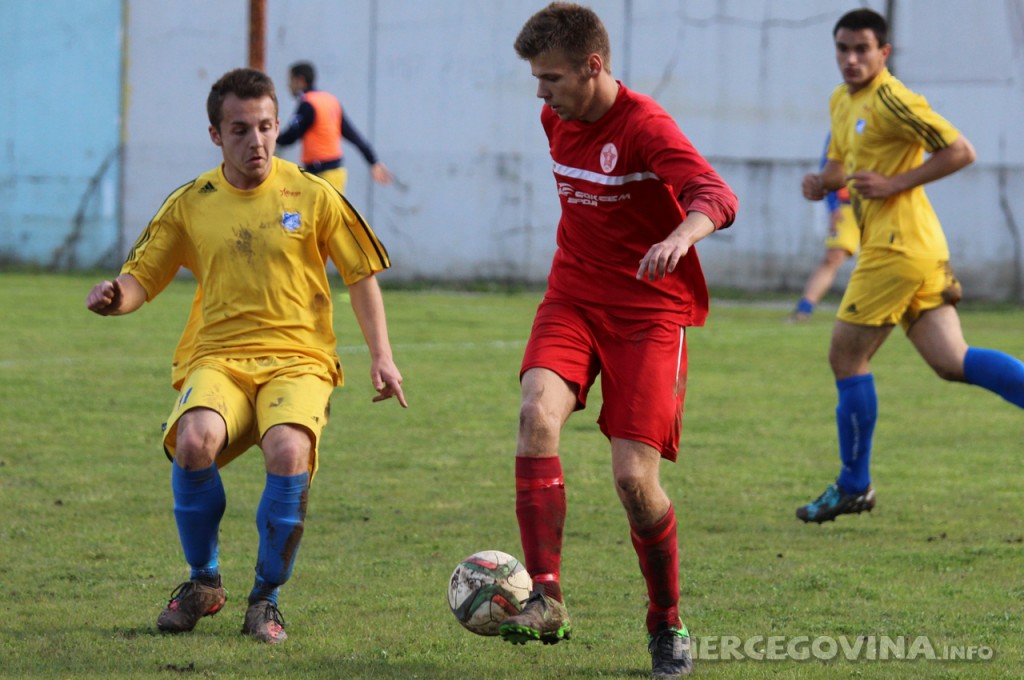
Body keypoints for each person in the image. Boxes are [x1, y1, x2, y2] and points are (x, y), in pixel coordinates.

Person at [85, 68, 407, 643]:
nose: (255, 141)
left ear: (278, 125)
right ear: (215, 135)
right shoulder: (191, 203)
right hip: (219, 357)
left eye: (264, 127)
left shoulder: (312, 193)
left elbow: (361, 275)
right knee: (192, 440)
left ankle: (266, 599)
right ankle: (203, 582)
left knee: (287, 452)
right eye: (239, 129)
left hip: (299, 360)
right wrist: (115, 297)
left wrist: (382, 356)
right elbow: (142, 277)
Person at [502, 4, 738, 678]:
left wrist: (679, 234)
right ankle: (546, 597)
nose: (540, 95)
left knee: (636, 482)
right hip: (572, 298)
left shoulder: (645, 126)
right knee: (533, 414)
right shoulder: (557, 117)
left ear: (592, 67)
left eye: (550, 79)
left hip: (648, 314)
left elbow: (715, 195)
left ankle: (666, 622)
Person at [796, 9, 1024, 523]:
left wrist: (898, 182)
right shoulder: (842, 100)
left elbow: (961, 150)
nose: (851, 59)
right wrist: (822, 183)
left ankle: (854, 485)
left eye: (862, 49)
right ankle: (854, 484)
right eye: (843, 49)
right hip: (913, 248)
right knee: (953, 361)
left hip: (897, 249)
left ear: (884, 52)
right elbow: (839, 165)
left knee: (845, 357)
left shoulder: (893, 98)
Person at [277, 61, 394, 194]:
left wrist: (270, 137)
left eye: (290, 80)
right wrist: (373, 160)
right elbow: (352, 134)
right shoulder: (330, 100)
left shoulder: (308, 104)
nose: (288, 85)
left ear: (300, 80)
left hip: (320, 174)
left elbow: (290, 137)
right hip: (336, 174)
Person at [787, 133, 859, 322]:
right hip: (848, 207)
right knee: (832, 257)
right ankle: (804, 309)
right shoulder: (841, 126)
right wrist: (832, 206)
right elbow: (827, 168)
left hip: (884, 204)